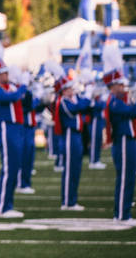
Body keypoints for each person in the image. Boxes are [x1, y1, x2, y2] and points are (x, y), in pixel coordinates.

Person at [102, 43, 136, 223]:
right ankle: (121, 215)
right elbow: (133, 112)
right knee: (124, 180)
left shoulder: (120, 100)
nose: (123, 87)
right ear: (112, 86)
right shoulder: (114, 102)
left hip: (129, 141)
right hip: (123, 142)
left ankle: (124, 213)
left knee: (129, 179)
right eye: (120, 84)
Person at [0, 38, 26, 219]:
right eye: (3, 72)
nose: (6, 74)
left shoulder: (8, 86)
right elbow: (11, 98)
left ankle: (8, 205)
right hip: (6, 128)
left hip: (15, 127)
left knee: (15, 167)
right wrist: (23, 85)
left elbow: (26, 100)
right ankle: (1, 207)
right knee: (9, 168)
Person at [48, 62, 91, 210]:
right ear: (63, 90)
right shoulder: (63, 101)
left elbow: (87, 105)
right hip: (68, 137)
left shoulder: (72, 98)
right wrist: (87, 96)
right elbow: (76, 108)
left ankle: (72, 200)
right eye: (68, 88)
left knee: (76, 169)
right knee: (70, 170)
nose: (72, 89)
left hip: (76, 136)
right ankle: (67, 201)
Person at [15, 69, 39, 195]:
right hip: (23, 126)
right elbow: (27, 106)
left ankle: (26, 182)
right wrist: (37, 98)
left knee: (29, 156)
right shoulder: (20, 90)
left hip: (29, 126)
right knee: (23, 156)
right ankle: (21, 183)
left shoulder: (27, 90)